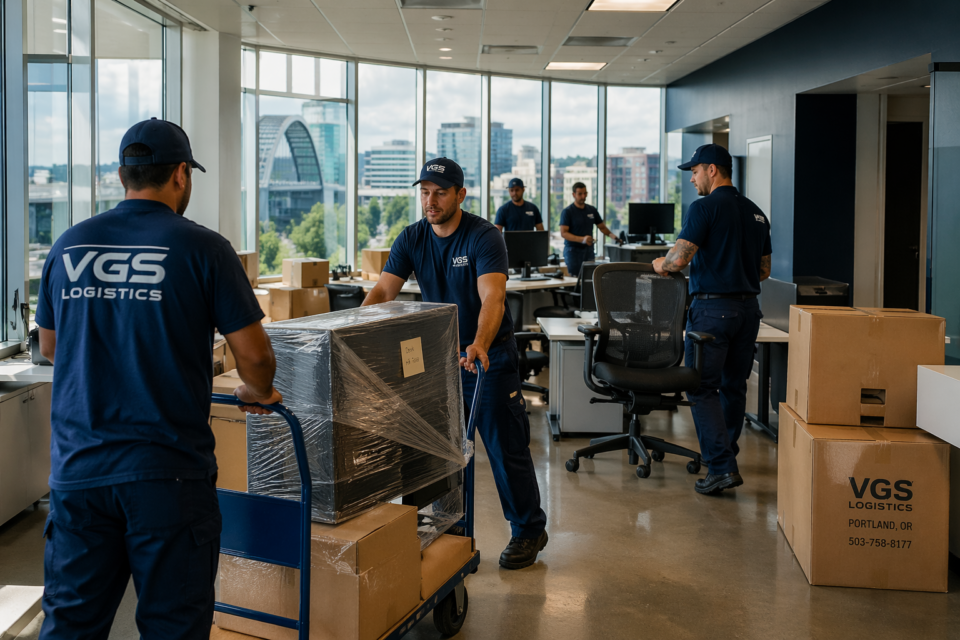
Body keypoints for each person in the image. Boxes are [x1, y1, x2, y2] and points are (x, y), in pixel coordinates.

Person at [36, 118, 282, 639]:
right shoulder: (204, 249)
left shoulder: (69, 245)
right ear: (180, 175)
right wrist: (257, 392)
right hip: (168, 476)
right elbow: (256, 357)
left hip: (80, 473)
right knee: (173, 627)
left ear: (122, 176)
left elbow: (52, 348)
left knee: (70, 626)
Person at [362, 157, 548, 570]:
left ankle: (528, 529)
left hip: (488, 358)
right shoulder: (412, 237)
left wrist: (479, 343)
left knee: (504, 448)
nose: (431, 201)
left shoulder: (483, 236)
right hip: (442, 358)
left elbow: (492, 297)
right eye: (425, 192)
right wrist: (349, 332)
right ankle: (452, 532)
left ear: (460, 195)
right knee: (443, 454)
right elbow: (382, 293)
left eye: (440, 193)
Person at [652, 143, 771, 496]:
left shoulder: (704, 208)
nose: (692, 179)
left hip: (712, 312)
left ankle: (720, 466)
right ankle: (724, 456)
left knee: (700, 386)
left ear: (712, 170)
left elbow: (677, 261)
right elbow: (763, 270)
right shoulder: (757, 213)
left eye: (694, 172)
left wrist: (659, 264)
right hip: (748, 312)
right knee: (734, 386)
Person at [559, 181, 619, 279]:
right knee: (574, 279)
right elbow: (564, 233)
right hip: (573, 251)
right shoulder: (568, 212)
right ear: (574, 194)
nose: (583, 196)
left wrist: (614, 237)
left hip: (588, 250)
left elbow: (602, 227)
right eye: (580, 194)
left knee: (589, 279)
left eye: (585, 193)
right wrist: (582, 239)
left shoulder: (591, 210)